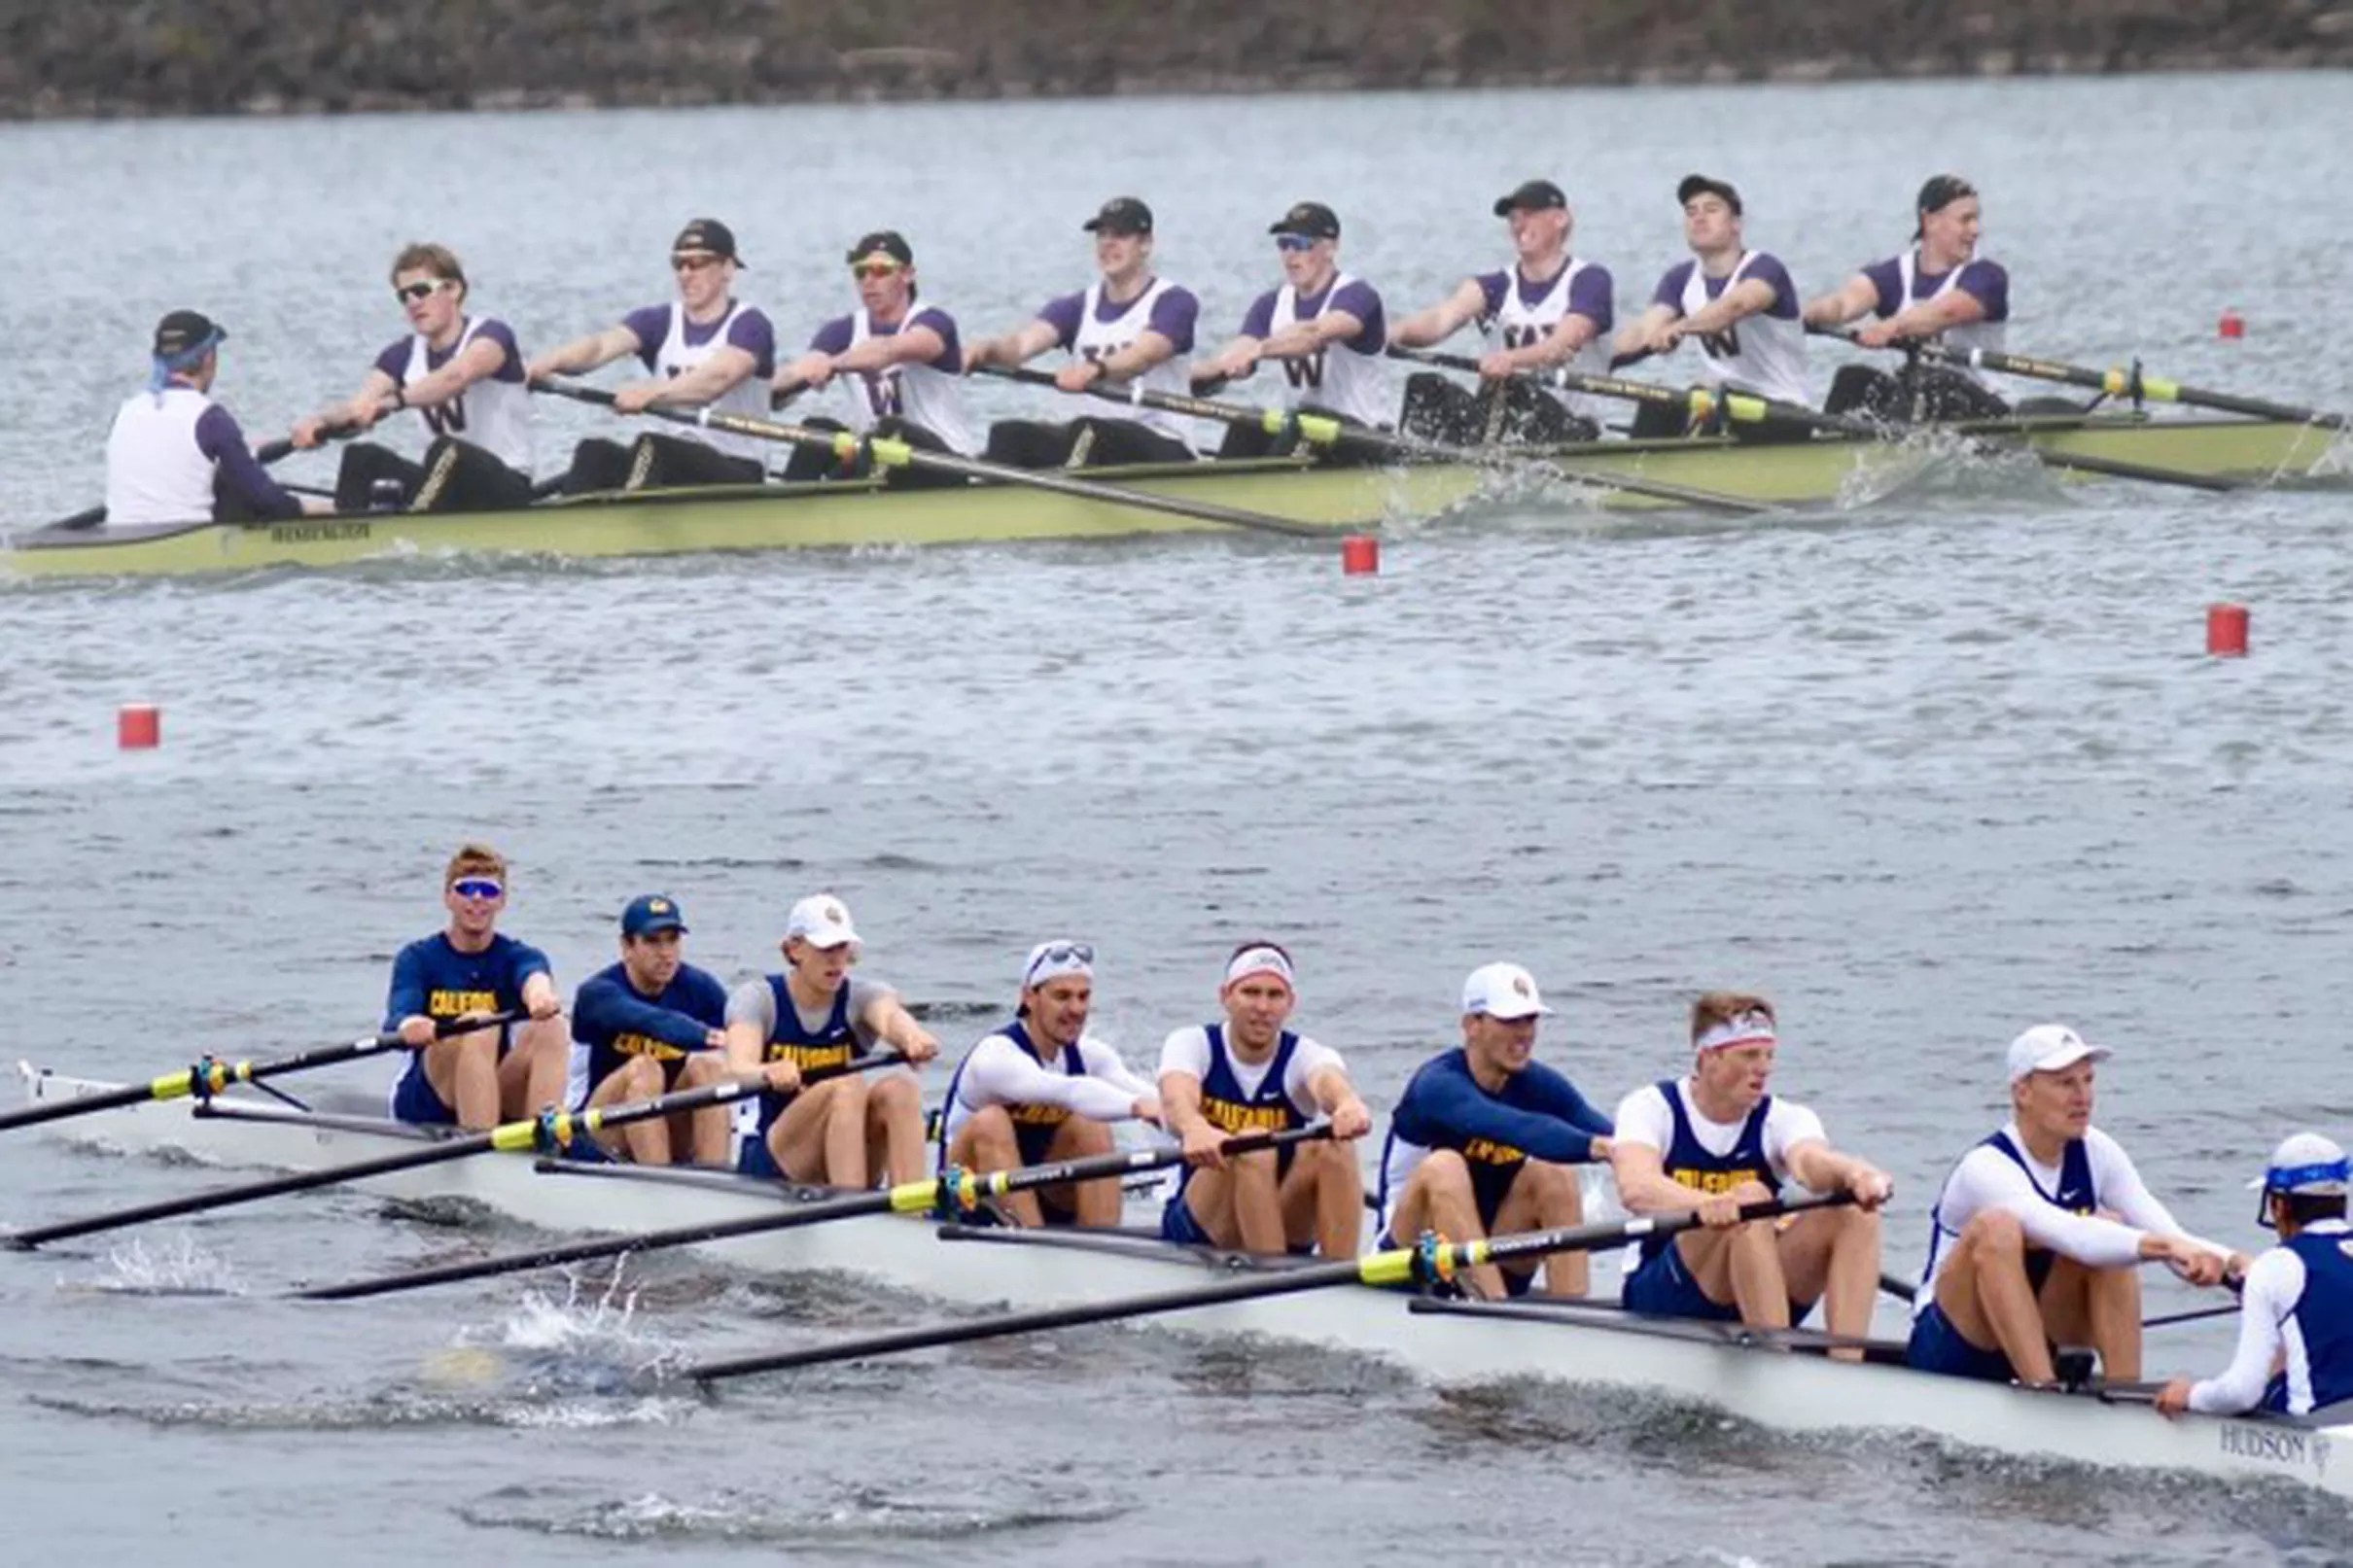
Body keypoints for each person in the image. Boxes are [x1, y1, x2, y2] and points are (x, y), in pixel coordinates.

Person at [1908, 1024, 2233, 1386]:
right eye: (2066, 1084)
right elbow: (2072, 1235)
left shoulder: (2098, 1151)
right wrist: (2165, 1247)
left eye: (2088, 1080)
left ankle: (2124, 1402)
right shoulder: (1985, 1167)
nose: (2083, 1097)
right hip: (1953, 1343)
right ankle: (2041, 1389)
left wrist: (2245, 1268)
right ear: (2023, 1092)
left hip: (2042, 1326)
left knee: (2114, 1234)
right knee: (1998, 1228)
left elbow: (2172, 1237)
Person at [1608, 993, 1891, 1351]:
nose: (1764, 1068)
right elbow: (1636, 1188)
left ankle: (1847, 1367)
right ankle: (1775, 1361)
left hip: (1753, 1285)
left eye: (1769, 1055)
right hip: (1665, 1295)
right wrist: (1710, 1204)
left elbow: (1812, 1164)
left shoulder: (1784, 1118)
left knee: (1855, 1212)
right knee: (1752, 1198)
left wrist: (1856, 1174)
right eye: (1749, 1055)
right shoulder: (1652, 1107)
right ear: (1709, 1057)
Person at [1376, 962, 1613, 1300]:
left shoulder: (1537, 1083)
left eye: (1530, 1019)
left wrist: (1641, 1157)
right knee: (1445, 1166)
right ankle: (1495, 1309)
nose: (1524, 1033)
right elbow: (1513, 1127)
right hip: (1413, 1258)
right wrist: (1595, 1147)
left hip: (1494, 1250)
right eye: (1509, 1020)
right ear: (1472, 1025)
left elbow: (1607, 1131)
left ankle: (1572, 1320)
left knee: (1553, 1176)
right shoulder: (1437, 1086)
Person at [525, 218, 778, 492]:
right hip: (671, 463)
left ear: (727, 268)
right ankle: (570, 527)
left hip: (737, 468)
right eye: (678, 265)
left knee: (652, 445)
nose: (685, 274)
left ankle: (630, 521)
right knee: (593, 453)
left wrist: (652, 393)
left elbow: (718, 378)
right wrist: (542, 365)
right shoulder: (659, 322)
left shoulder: (750, 325)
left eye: (697, 263)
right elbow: (598, 348)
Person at [1157, 942, 1373, 1258]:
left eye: (1275, 995)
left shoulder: (1305, 1055)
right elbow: (1176, 1094)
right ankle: (1274, 1281)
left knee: (1333, 1146)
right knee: (1251, 1143)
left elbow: (1328, 1081)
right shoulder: (1192, 1043)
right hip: (1202, 1225)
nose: (1262, 1007)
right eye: (1251, 992)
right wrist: (1193, 1127)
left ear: (1290, 1003)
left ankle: (1339, 1279)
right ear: (1226, 997)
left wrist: (1348, 1105)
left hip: (1278, 1212)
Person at [289, 243, 536, 513]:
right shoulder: (401, 355)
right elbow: (359, 407)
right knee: (362, 456)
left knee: (448, 450)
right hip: (444, 484)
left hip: (505, 486)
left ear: (453, 289)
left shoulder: (491, 337)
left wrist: (393, 402)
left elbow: (455, 377)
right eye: (403, 296)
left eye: (421, 291)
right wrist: (320, 422)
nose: (413, 303)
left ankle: (417, 528)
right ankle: (348, 536)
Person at [963, 196, 1202, 469]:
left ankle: (1063, 506)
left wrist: (1094, 370)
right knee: (1008, 434)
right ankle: (996, 506)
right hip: (1091, 440)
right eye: (1102, 235)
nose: (1108, 244)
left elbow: (1143, 355)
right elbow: (1019, 347)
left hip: (1164, 441)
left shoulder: (1174, 302)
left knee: (1089, 431)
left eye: (1120, 235)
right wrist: (984, 350)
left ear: (1146, 244)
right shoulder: (1076, 306)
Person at [935, 941, 1162, 1227]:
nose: (1076, 1009)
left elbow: (1146, 1094)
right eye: (1062, 996)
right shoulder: (995, 1057)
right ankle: (1034, 1247)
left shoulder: (1090, 1055)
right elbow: (1069, 1091)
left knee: (1091, 1128)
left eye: (1083, 996)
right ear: (1029, 997)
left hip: (1042, 1191)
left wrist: (1190, 1119)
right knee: (991, 1122)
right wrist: (1139, 1108)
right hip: (965, 1195)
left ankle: (1102, 1249)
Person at [724, 893, 940, 1188]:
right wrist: (766, 1072)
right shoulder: (759, 999)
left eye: (842, 947)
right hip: (773, 1159)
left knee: (900, 1090)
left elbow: (889, 1017)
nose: (836, 959)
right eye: (825, 947)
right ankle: (849, 1210)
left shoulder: (861, 996)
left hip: (842, 1150)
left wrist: (912, 1037)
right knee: (847, 1086)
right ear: (794, 949)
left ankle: (912, 1216)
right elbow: (737, 1067)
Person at [1387, 178, 1615, 445]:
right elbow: (1439, 320)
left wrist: (1511, 360)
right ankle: (1426, 468)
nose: (1519, 225)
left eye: (1529, 215)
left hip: (1573, 428)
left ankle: (1484, 456)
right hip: (1502, 422)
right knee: (1424, 386)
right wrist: (1391, 333)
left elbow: (1562, 344)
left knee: (1515, 388)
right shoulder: (1495, 286)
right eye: (1513, 218)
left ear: (1560, 219)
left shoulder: (1589, 280)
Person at [2158, 1133, 2349, 1419]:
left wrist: (2192, 1395)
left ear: (2279, 1206)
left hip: (2319, 1430)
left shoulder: (2274, 1267)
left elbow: (2241, 1392)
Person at [1611, 175, 1813, 440]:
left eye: (1711, 210)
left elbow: (1734, 307)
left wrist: (1680, 328)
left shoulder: (1764, 268)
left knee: (1709, 402)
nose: (1699, 218)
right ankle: (1634, 470)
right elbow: (1641, 333)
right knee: (1658, 401)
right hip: (1724, 403)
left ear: (1736, 225)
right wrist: (1589, 358)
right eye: (1691, 212)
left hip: (1783, 411)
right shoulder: (1680, 279)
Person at [383, 843, 567, 1131]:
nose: (478, 899)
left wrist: (540, 995)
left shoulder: (517, 955)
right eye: (466, 889)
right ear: (448, 898)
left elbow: (533, 975)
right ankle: (480, 1145)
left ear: (501, 901)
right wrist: (412, 1023)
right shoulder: (417, 958)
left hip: (493, 1084)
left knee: (552, 1026)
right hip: (430, 1094)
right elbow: (399, 1014)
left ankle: (546, 1141)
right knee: (478, 1022)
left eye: (489, 891)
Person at [774, 230, 976, 487]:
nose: (869, 281)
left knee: (892, 429)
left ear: (907, 274)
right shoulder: (842, 330)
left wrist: (833, 364)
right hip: (876, 457)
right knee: (817, 430)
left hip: (945, 463)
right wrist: (769, 386)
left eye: (881, 270)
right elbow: (800, 370)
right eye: (861, 272)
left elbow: (887, 351)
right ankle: (787, 511)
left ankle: (843, 495)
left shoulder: (934, 323)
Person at [1801, 175, 2013, 419]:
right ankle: (1827, 446)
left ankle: (1893, 449)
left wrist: (1890, 328)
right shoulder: (1894, 275)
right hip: (1920, 400)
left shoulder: (1988, 277)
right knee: (1852, 379)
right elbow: (1842, 304)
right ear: (1930, 221)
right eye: (1965, 220)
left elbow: (1944, 313)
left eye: (1976, 220)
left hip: (1984, 405)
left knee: (1929, 381)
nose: (1976, 230)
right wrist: (1805, 314)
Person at [1194, 201, 1390, 463]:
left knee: (1307, 423)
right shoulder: (1270, 305)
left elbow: (1313, 335)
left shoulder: (1357, 296)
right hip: (1307, 429)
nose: (1290, 254)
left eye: (1301, 244)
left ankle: (1271, 489)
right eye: (1284, 243)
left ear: (1331, 247)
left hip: (1363, 439)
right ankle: (1216, 490)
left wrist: (1261, 350)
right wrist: (1193, 372)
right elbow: (1233, 355)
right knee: (1247, 423)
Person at [102, 310, 312, 527]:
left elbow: (186, 455)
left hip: (120, 533)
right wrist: (321, 511)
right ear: (209, 357)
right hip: (184, 542)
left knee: (223, 481)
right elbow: (267, 498)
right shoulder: (210, 418)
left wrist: (290, 444)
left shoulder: (126, 412)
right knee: (236, 491)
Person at [567, 894, 734, 1165]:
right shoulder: (597, 994)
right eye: (653, 941)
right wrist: (706, 1035)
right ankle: (659, 1183)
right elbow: (650, 1021)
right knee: (644, 1068)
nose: (666, 952)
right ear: (627, 946)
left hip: (665, 1122)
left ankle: (716, 1181)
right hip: (597, 1130)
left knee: (708, 1068)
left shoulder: (703, 991)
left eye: (672, 940)